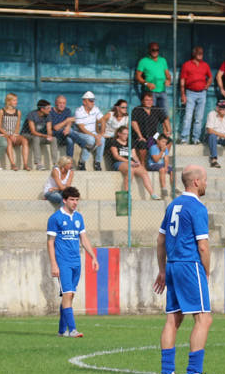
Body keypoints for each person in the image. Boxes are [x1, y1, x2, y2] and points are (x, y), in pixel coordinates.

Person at [153, 165, 213, 374]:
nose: (206, 183)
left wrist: (162, 269)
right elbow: (203, 246)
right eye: (205, 180)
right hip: (190, 265)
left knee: (173, 318)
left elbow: (161, 240)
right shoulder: (197, 208)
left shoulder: (173, 206)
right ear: (196, 182)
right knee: (204, 318)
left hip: (172, 266)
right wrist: (206, 272)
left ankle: (167, 372)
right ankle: (194, 372)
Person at [46, 185, 98, 338]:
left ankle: (62, 331)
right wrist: (54, 264)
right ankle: (73, 330)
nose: (75, 202)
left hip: (76, 262)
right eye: (72, 200)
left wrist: (93, 257)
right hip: (63, 262)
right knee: (67, 294)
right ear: (64, 200)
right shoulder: (55, 218)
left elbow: (84, 238)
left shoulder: (78, 217)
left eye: (77, 200)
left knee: (69, 296)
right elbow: (50, 242)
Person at [107, 126, 159, 199]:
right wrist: (129, 161)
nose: (126, 136)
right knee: (130, 170)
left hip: (131, 162)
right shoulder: (114, 142)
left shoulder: (130, 142)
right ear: (119, 134)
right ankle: (127, 194)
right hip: (119, 162)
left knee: (144, 172)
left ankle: (152, 193)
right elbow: (116, 156)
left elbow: (134, 155)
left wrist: (138, 162)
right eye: (124, 134)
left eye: (127, 134)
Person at [179, 46, 212, 144]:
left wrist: (207, 85)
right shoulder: (187, 65)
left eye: (201, 52)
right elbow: (182, 80)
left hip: (202, 93)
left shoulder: (205, 65)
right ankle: (184, 138)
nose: (200, 54)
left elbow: (210, 77)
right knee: (188, 117)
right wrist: (183, 94)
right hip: (190, 93)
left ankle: (196, 139)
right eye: (198, 52)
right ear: (194, 53)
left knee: (199, 118)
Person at [131, 91, 172, 166]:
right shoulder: (137, 109)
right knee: (142, 144)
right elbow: (134, 123)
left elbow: (165, 119)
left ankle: (161, 159)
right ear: (142, 101)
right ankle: (143, 165)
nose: (149, 102)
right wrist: (140, 136)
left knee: (168, 141)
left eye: (151, 100)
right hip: (141, 135)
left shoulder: (156, 109)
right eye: (147, 100)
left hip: (154, 135)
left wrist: (168, 131)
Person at [0, 92, 29, 171]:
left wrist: (14, 134)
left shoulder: (18, 112)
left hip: (14, 134)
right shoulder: (1, 111)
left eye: (16, 100)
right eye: (14, 100)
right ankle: (13, 164)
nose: (16, 102)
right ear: (9, 101)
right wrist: (8, 135)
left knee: (25, 141)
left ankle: (25, 164)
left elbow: (17, 126)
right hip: (4, 134)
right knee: (8, 142)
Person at [70, 91, 103, 171]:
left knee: (103, 139)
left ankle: (97, 162)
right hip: (80, 133)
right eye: (91, 100)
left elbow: (102, 120)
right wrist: (95, 136)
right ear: (84, 101)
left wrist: (100, 134)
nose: (93, 102)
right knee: (90, 140)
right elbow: (81, 128)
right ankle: (82, 162)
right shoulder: (79, 111)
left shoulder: (96, 109)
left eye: (93, 100)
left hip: (92, 133)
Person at [21, 99, 57, 171]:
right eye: (48, 108)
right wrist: (45, 136)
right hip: (27, 134)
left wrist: (49, 135)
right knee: (36, 138)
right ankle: (38, 164)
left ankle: (55, 164)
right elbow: (33, 132)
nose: (50, 110)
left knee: (54, 139)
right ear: (42, 109)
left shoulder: (48, 115)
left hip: (40, 136)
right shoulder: (32, 115)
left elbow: (49, 130)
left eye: (50, 108)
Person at [136, 41, 172, 111]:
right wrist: (147, 84)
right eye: (153, 50)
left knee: (165, 113)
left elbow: (168, 75)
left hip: (162, 91)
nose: (155, 52)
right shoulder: (143, 61)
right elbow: (138, 77)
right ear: (149, 50)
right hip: (150, 92)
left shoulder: (163, 60)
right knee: (151, 114)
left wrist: (169, 80)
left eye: (157, 50)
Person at [48, 94, 75, 161]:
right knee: (71, 132)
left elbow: (70, 121)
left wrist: (68, 127)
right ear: (56, 103)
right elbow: (56, 128)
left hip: (65, 134)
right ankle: (83, 143)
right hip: (55, 135)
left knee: (70, 140)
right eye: (60, 103)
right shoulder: (50, 112)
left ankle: (69, 162)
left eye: (64, 103)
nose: (62, 105)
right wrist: (66, 121)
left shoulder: (67, 110)